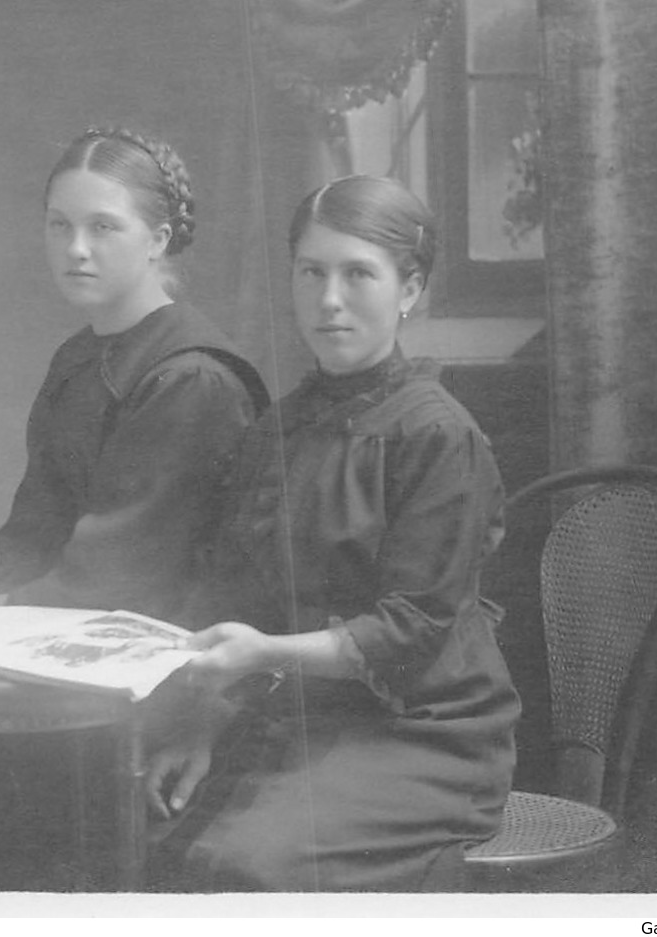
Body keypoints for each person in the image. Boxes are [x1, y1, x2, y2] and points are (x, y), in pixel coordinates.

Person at [146, 175, 520, 892]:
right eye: (310, 272)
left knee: (242, 867)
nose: (328, 299)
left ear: (408, 289)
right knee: (149, 833)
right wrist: (203, 724)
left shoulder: (437, 435)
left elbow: (409, 632)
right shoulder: (276, 429)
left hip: (422, 734)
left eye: (358, 274)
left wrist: (260, 655)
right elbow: (243, 598)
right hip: (299, 718)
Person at [0, 126, 268, 620]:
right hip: (61, 626)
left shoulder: (193, 379)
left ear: (158, 239)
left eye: (102, 227)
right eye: (60, 225)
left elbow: (122, 570)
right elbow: (33, 532)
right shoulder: (77, 359)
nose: (76, 248)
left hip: (157, 649)